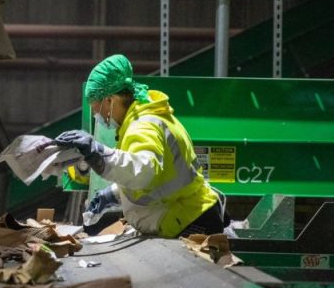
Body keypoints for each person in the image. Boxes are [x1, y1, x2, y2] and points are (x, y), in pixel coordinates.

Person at [53, 54, 228, 238]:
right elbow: (161, 178)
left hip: (189, 220)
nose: (97, 115)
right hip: (190, 214)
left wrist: (97, 153)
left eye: (97, 108)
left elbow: (144, 170)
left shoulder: (142, 125)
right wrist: (114, 193)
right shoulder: (142, 118)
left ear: (110, 100)